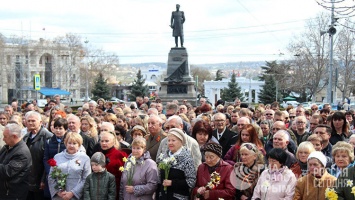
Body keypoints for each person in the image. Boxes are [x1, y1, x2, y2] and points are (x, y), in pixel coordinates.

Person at [48, 132, 91, 200]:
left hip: (76, 196)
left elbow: (86, 179)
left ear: (79, 145)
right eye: (69, 143)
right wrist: (58, 192)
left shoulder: (85, 158)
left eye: (74, 143)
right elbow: (51, 176)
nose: (71, 146)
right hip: (60, 196)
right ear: (65, 143)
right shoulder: (57, 157)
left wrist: (72, 193)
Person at [157, 128, 196, 200]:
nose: (170, 143)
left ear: (181, 142)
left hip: (179, 197)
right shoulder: (164, 156)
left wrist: (172, 183)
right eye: (169, 140)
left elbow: (191, 182)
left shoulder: (187, 159)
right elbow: (159, 179)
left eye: (173, 140)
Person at [22, 111, 53, 200]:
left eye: (33, 121)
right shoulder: (26, 137)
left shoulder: (48, 137)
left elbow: (49, 161)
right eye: (28, 121)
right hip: (28, 178)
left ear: (40, 122)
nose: (30, 123)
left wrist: (43, 179)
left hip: (40, 178)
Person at [0, 123, 32, 199]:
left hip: (13, 194)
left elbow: (7, 172)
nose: (3, 139)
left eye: (5, 137)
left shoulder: (22, 153)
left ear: (14, 136)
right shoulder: (8, 147)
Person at [43, 118, 68, 199]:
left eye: (60, 128)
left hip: (65, 173)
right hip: (52, 172)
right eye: (56, 128)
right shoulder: (49, 141)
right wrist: (49, 170)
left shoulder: (68, 141)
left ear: (65, 129)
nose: (58, 130)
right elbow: (46, 158)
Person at [98, 131, 127, 199]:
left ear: (113, 142)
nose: (104, 143)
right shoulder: (98, 155)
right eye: (102, 141)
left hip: (114, 190)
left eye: (107, 141)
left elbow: (123, 177)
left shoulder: (120, 155)